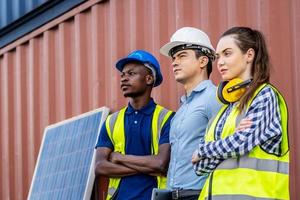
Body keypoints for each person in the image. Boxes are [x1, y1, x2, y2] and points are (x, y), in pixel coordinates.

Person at [192, 26, 289, 200]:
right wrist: (231, 142)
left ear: (249, 55)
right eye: (218, 56)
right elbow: (199, 167)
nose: (220, 62)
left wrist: (203, 149)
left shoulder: (264, 96)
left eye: (227, 53)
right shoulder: (224, 110)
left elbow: (241, 144)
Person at [95, 50, 175, 200]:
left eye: (131, 74)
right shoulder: (111, 122)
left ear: (149, 78)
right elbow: (100, 166)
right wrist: (147, 166)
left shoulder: (167, 119)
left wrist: (119, 157)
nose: (124, 79)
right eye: (123, 75)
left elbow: (160, 164)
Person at [159, 27, 221, 199]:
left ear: (202, 61)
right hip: (174, 194)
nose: (174, 62)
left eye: (182, 56)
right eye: (173, 58)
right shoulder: (181, 109)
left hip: (199, 194)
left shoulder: (214, 98)